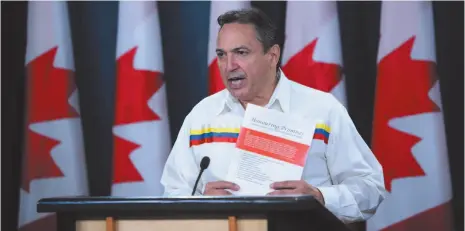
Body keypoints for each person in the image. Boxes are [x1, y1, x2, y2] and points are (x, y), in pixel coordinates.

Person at [160, 8, 387, 223]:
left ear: (273, 55)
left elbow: (370, 187)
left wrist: (319, 197)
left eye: (241, 52)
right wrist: (201, 200)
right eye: (221, 55)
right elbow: (172, 193)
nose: (229, 66)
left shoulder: (322, 110)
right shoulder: (202, 117)